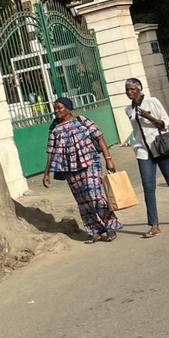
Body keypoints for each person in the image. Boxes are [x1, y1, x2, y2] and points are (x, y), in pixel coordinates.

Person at [42, 96, 121, 243]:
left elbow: (100, 138)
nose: (56, 111)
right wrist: (46, 173)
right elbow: (51, 152)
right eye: (55, 109)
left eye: (59, 108)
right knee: (83, 200)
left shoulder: (82, 121)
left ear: (68, 108)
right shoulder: (54, 129)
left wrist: (108, 159)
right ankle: (95, 231)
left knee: (94, 195)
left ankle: (110, 226)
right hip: (70, 168)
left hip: (90, 163)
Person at [125, 78, 169, 238]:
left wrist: (149, 117)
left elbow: (166, 124)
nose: (129, 92)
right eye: (127, 90)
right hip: (143, 151)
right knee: (148, 187)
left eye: (133, 89)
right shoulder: (128, 110)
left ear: (139, 89)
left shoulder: (151, 102)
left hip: (161, 147)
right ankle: (154, 225)